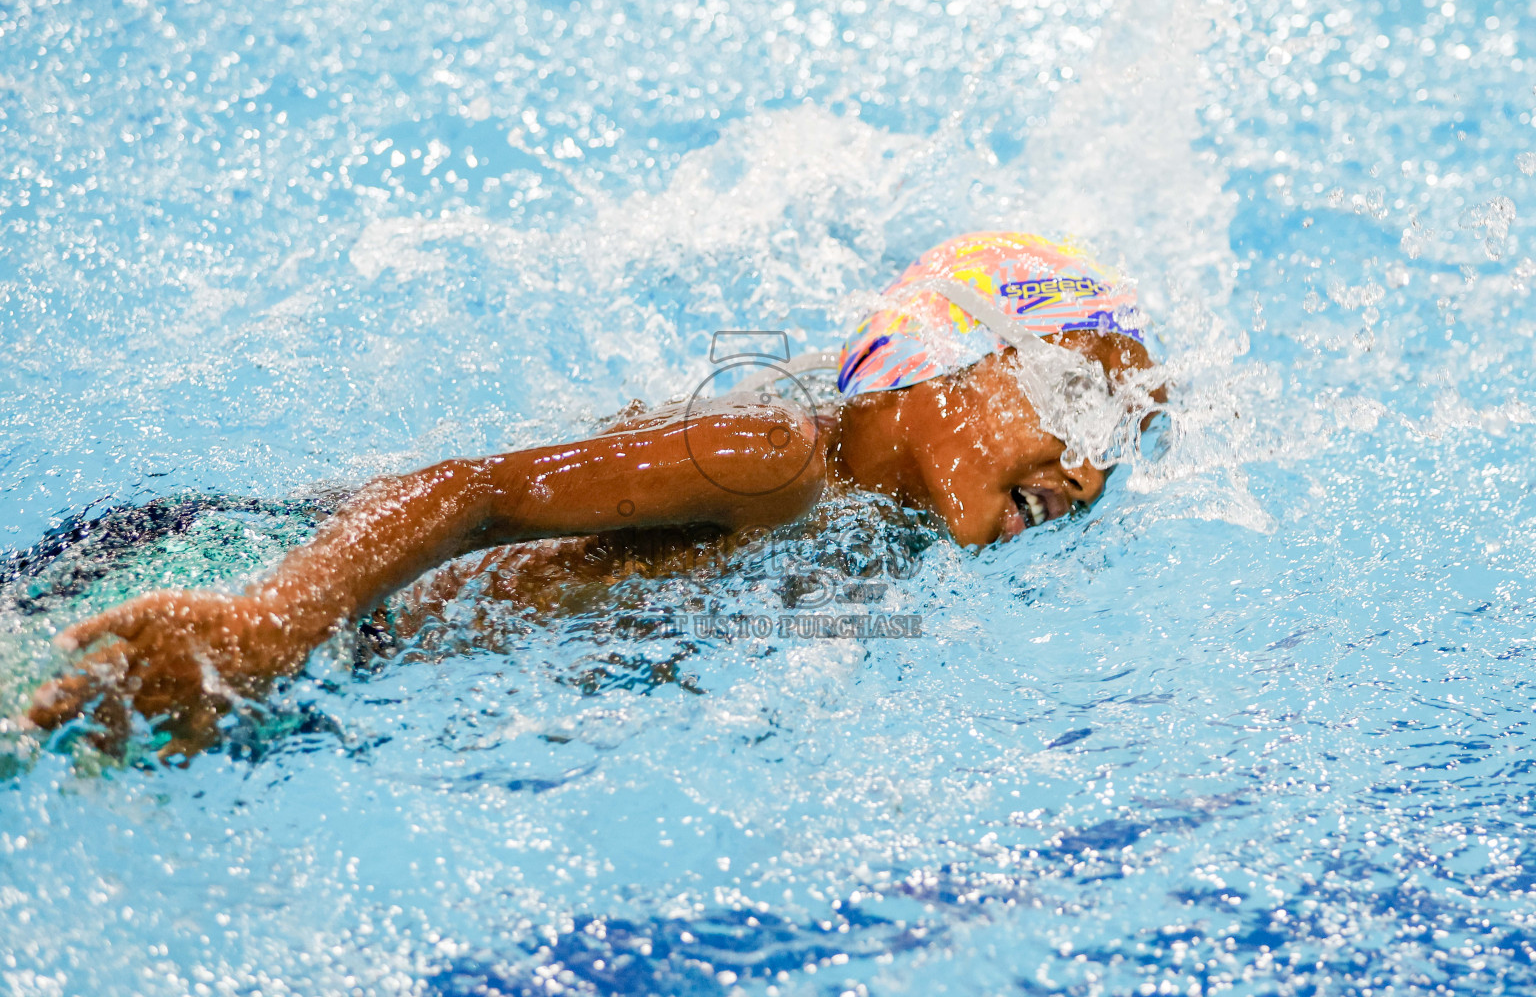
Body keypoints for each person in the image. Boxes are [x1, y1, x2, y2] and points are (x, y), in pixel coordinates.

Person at [23, 232, 1164, 757]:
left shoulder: (884, 526)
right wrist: (271, 618)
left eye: (1119, 439)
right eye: (1080, 399)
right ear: (937, 359)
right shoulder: (777, 455)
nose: (1093, 469)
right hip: (247, 589)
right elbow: (479, 492)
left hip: (319, 661)